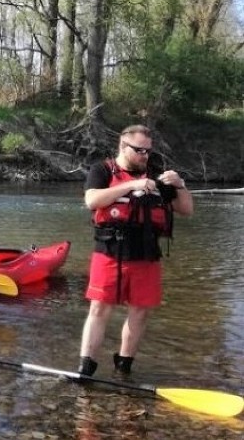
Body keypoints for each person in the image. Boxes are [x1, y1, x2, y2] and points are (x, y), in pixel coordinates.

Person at [78, 125, 194, 377]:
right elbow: (92, 200)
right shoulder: (102, 170)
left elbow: (186, 210)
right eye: (139, 150)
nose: (145, 155)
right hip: (109, 251)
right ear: (123, 146)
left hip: (146, 253)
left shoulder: (157, 177)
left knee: (140, 311)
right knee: (99, 308)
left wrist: (180, 184)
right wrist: (130, 186)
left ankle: (124, 366)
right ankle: (86, 367)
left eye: (148, 151)